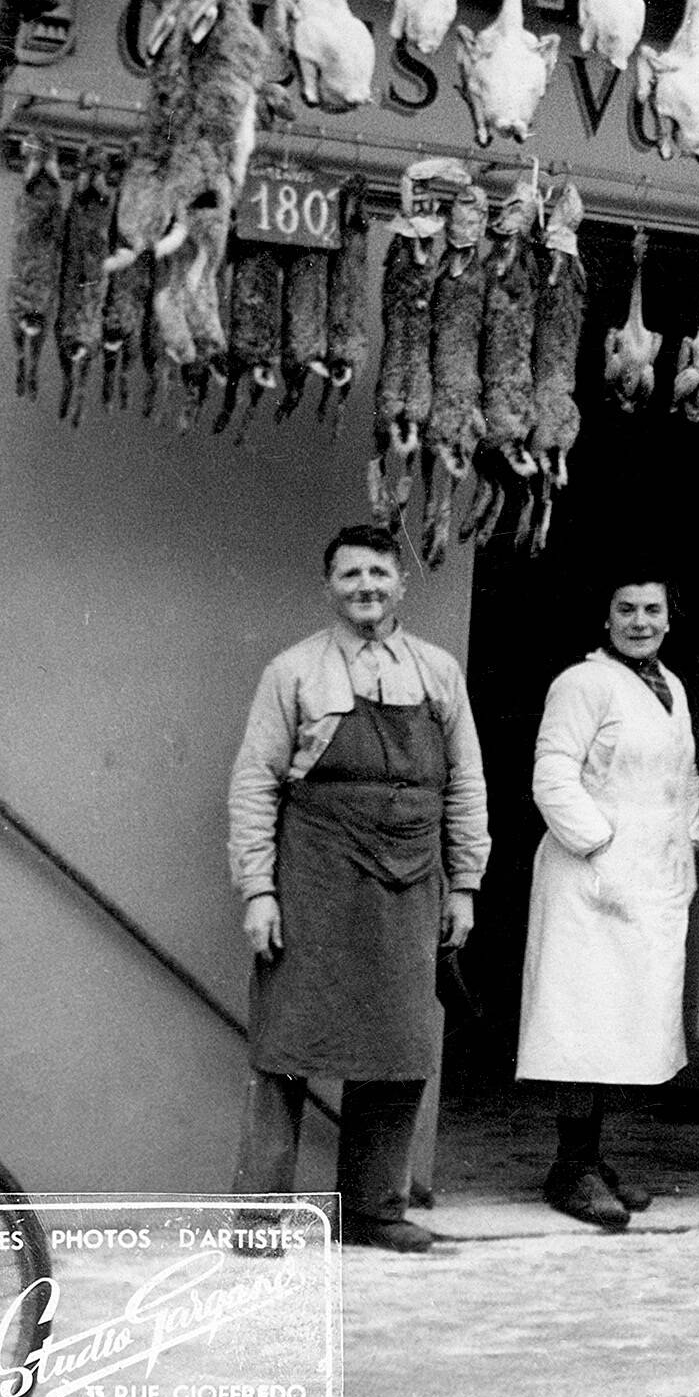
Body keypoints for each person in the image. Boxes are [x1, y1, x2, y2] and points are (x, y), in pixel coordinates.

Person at [225, 525, 488, 1253]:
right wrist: (258, 890)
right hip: (315, 878)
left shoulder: (438, 671)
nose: (366, 586)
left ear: (401, 583)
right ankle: (258, 1221)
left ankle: (372, 1210)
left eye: (378, 572)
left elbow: (466, 782)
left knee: (400, 1044)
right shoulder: (293, 670)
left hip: (412, 880)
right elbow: (254, 783)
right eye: (350, 575)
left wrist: (464, 883)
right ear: (329, 587)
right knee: (287, 1044)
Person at [516, 577, 699, 1229]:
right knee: (584, 1024)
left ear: (669, 618)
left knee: (624, 1022)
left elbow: (684, 776)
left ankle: (589, 1158)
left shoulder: (671, 686)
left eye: (653, 609)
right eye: (626, 609)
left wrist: (686, 839)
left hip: (650, 877)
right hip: (588, 877)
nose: (640, 621)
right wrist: (601, 844)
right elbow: (552, 774)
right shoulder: (582, 682)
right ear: (605, 618)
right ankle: (572, 1167)